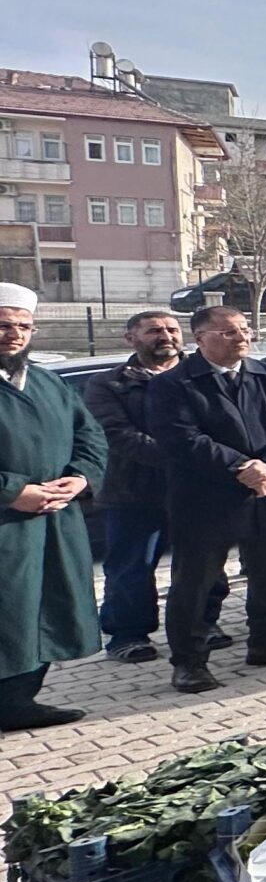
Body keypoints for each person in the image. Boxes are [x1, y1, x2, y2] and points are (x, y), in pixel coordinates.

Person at [146, 305, 266, 692]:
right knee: (196, 582)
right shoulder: (174, 384)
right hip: (206, 496)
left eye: (245, 330)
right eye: (229, 333)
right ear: (200, 338)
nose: (242, 338)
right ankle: (189, 660)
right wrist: (241, 468)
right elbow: (182, 439)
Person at [0, 283, 107, 730]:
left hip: (56, 519)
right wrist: (11, 491)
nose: (14, 334)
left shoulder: (48, 382)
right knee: (9, 611)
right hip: (8, 523)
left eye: (23, 326)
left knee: (50, 607)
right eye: (4, 326)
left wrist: (80, 477)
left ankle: (19, 701)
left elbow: (91, 436)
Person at [85, 308, 220, 662]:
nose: (165, 336)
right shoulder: (109, 383)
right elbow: (117, 434)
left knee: (203, 562)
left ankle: (201, 624)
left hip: (198, 489)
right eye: (153, 330)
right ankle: (128, 636)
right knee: (131, 567)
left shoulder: (202, 373)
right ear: (131, 338)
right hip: (134, 490)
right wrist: (188, 456)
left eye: (172, 329)